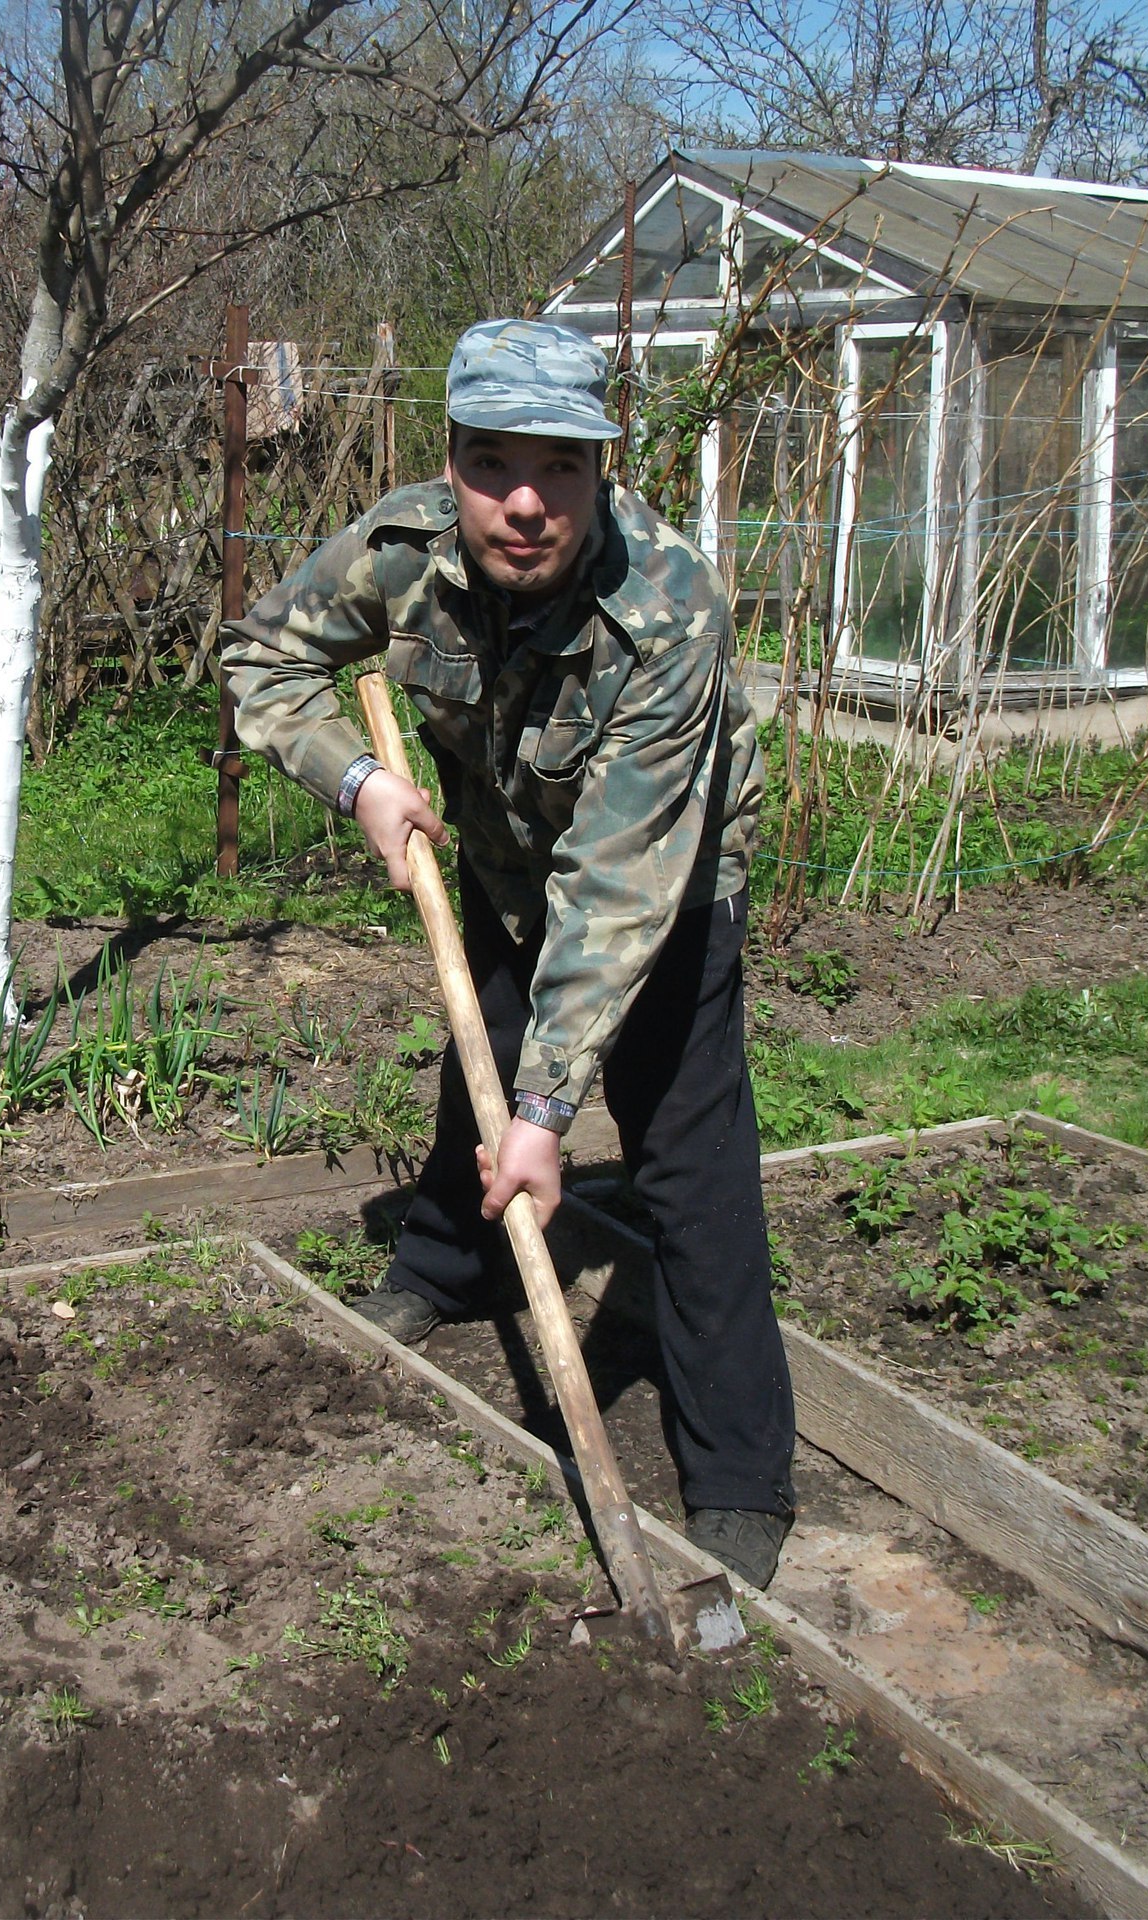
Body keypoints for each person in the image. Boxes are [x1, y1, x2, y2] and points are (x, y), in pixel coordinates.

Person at [219, 317, 795, 1588]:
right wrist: (362, 782)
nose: (524, 503)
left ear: (603, 469)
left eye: (562, 469)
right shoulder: (403, 549)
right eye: (491, 465)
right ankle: (444, 1264)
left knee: (686, 1158)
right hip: (495, 852)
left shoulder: (669, 604)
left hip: (665, 886)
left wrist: (548, 1110)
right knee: (477, 1046)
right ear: (452, 464)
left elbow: (616, 882)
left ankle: (743, 1473)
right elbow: (261, 655)